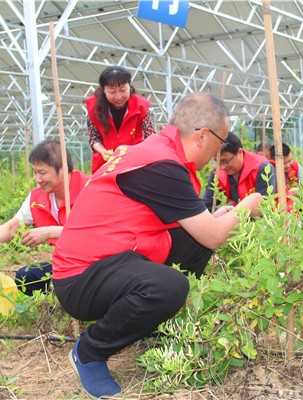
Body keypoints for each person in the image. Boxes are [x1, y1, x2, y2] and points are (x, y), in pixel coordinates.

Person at [52, 92, 263, 399]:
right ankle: (89, 352)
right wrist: (246, 206)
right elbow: (216, 236)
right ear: (203, 136)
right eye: (219, 146)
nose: (217, 157)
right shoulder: (161, 163)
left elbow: (201, 231)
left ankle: (151, 323)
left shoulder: (159, 153)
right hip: (80, 278)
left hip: (111, 259)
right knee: (170, 286)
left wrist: (214, 218)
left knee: (196, 242)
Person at [0, 140, 88, 296]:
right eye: (35, 172)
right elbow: (10, 228)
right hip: (64, 265)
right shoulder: (37, 196)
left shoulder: (90, 188)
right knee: (26, 277)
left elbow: (95, 232)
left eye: (42, 173)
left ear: (62, 170)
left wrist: (49, 232)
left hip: (93, 266)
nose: (37, 179)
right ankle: (50, 312)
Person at [86, 65, 156, 174]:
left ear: (129, 86)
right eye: (112, 92)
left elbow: (150, 136)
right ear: (104, 90)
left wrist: (134, 151)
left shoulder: (141, 106)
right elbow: (94, 138)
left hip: (134, 164)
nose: (118, 97)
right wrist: (103, 151)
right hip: (105, 165)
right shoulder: (94, 108)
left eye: (123, 90)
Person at [202, 132, 276, 211]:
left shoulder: (262, 169)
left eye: (226, 161)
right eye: (219, 162)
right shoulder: (217, 173)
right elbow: (207, 203)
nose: (223, 166)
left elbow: (264, 206)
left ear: (240, 152)